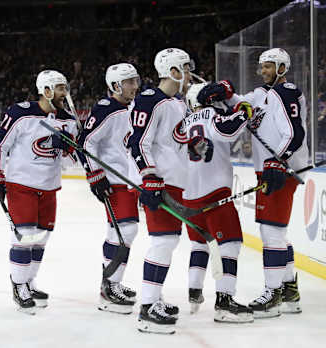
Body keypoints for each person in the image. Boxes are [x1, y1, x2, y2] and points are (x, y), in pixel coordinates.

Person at [199, 48, 308, 318]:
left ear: (282, 67)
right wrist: (223, 90)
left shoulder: (288, 92)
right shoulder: (260, 95)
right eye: (262, 66)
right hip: (268, 170)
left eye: (269, 66)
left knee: (271, 232)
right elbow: (240, 105)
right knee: (276, 233)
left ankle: (273, 295)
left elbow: (295, 134)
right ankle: (289, 290)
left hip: (282, 170)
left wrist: (277, 161)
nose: (264, 71)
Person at [0, 70, 78, 315]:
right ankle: (18, 284)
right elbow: (0, 145)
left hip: (49, 187)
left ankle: (30, 281)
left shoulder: (67, 120)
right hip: (21, 185)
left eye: (64, 87)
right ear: (46, 90)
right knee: (25, 235)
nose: (64, 92)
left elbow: (70, 164)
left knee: (42, 237)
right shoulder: (20, 113)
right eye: (59, 88)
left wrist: (68, 148)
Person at [173, 82, 255, 323]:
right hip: (214, 193)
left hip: (188, 196)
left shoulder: (180, 125)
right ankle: (225, 302)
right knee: (230, 243)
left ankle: (194, 291)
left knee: (200, 243)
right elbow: (231, 128)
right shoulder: (213, 114)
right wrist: (238, 104)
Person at [127, 48, 193, 334]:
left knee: (168, 241)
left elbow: (175, 140)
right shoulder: (149, 100)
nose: (190, 74)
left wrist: (197, 145)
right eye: (186, 69)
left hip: (174, 181)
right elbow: (138, 143)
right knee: (163, 242)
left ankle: (153, 300)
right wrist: (149, 177)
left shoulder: (176, 103)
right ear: (174, 72)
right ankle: (148, 307)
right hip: (160, 182)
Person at [76, 63, 141, 314]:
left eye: (136, 80)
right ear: (115, 86)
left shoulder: (134, 108)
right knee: (125, 230)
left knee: (122, 231)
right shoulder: (107, 109)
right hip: (114, 181)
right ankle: (108, 287)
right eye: (129, 82)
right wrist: (95, 174)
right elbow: (86, 142)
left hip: (129, 180)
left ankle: (112, 283)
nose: (135, 86)